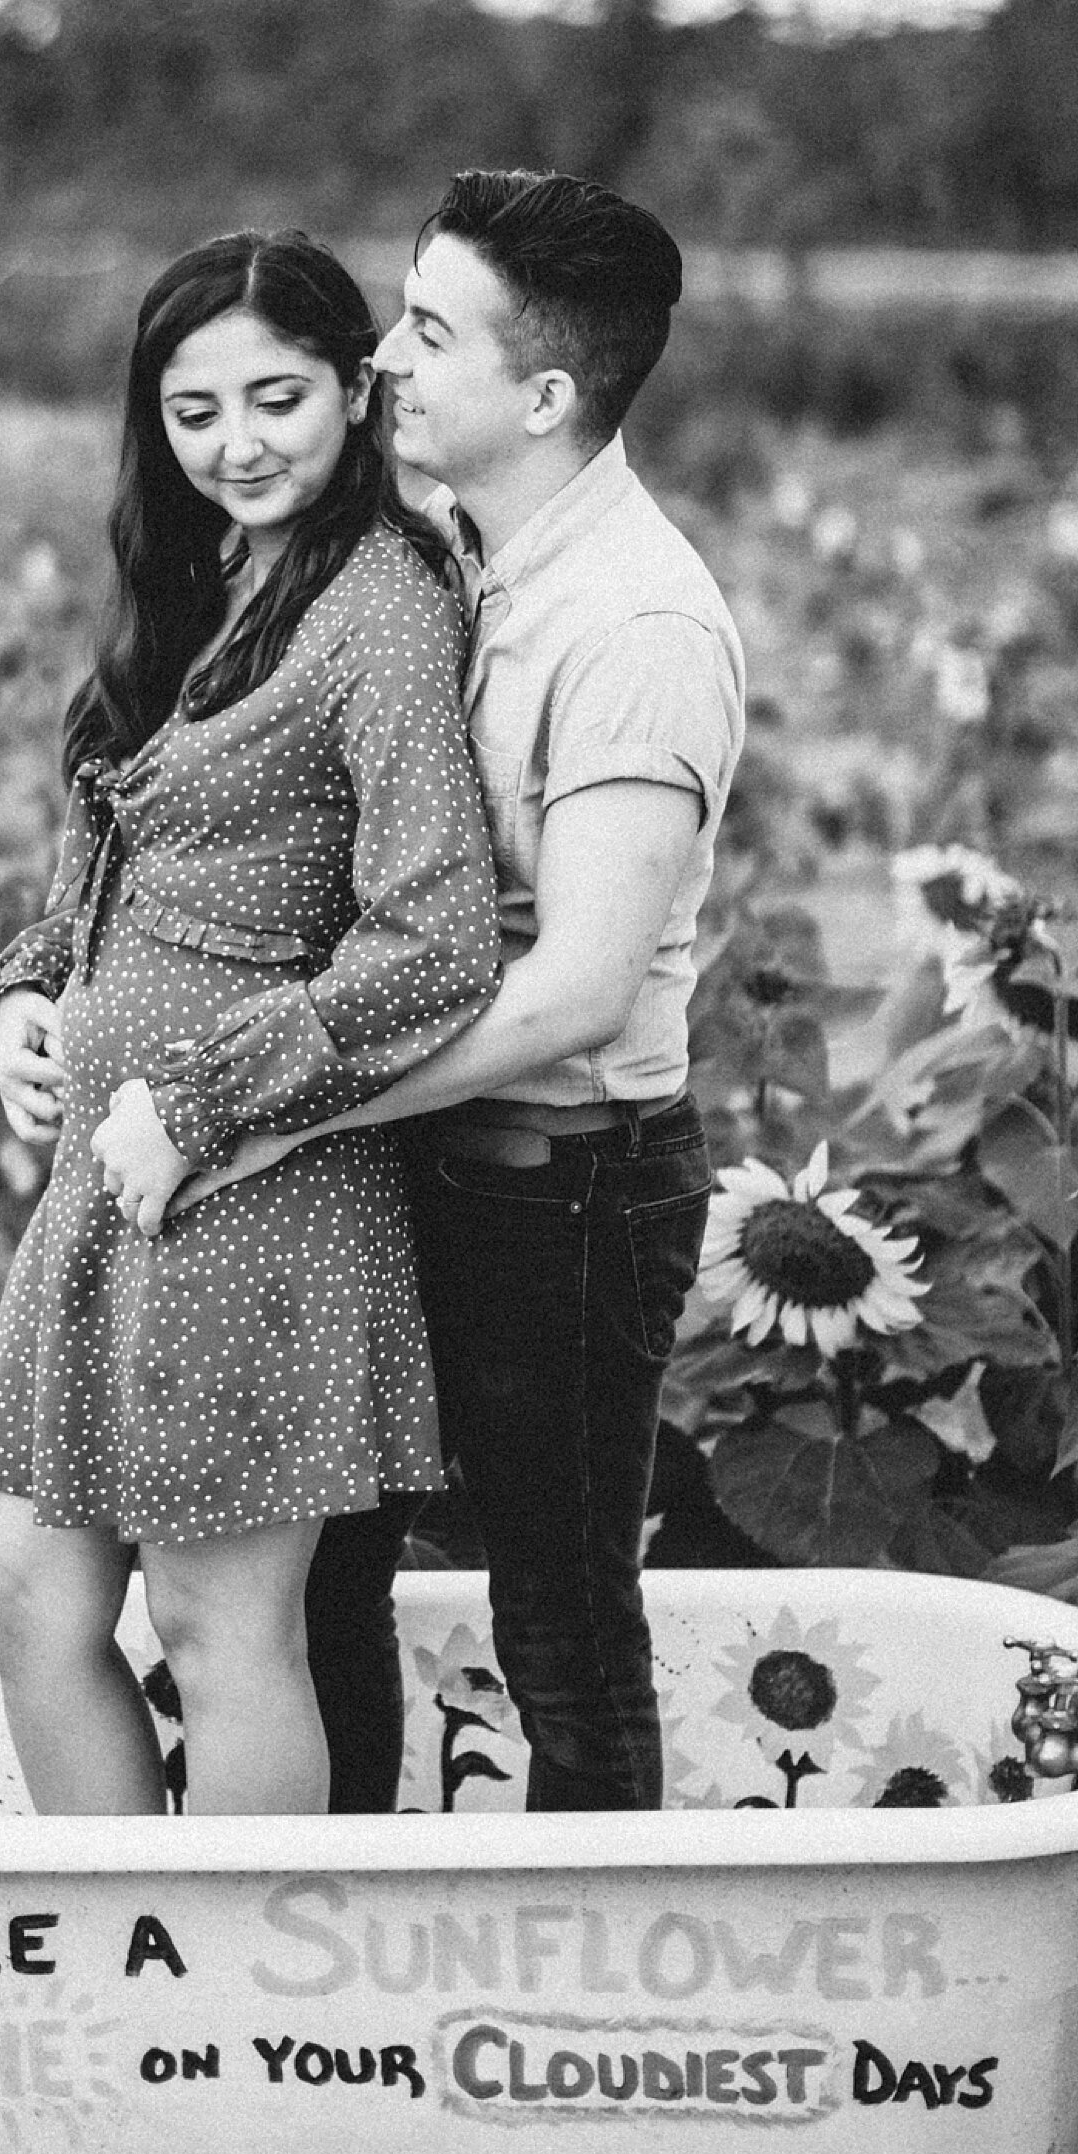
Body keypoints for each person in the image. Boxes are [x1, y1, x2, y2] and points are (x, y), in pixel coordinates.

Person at [155, 168, 745, 1816]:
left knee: (557, 1617)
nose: (388, 364)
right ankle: (346, 1964)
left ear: (545, 393)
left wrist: (279, 1112)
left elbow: (571, 995)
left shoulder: (636, 626)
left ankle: (595, 2004)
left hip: (561, 1187)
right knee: (322, 1575)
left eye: (429, 331)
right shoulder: (461, 561)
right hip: (420, 1153)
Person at [0, 230, 502, 1819]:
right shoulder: (196, 582)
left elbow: (436, 933)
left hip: (251, 1180)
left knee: (215, 1624)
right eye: (197, 412)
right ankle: (134, 1960)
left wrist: (198, 1105)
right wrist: (26, 992)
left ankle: (236, 1998)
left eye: (277, 397)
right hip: (107, 1186)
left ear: (353, 388)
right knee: (23, 1594)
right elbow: (101, 870)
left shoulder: (379, 604)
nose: (239, 443)